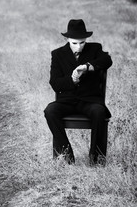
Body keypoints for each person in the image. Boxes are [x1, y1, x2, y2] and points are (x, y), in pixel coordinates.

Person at [44, 19, 112, 165]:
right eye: (75, 43)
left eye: (82, 42)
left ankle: (96, 159)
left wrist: (88, 66)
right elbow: (55, 83)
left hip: (89, 101)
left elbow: (107, 61)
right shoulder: (57, 54)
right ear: (67, 39)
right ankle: (67, 155)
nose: (79, 47)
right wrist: (72, 80)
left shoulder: (95, 49)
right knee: (50, 111)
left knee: (99, 112)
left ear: (86, 39)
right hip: (67, 101)